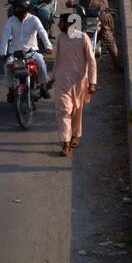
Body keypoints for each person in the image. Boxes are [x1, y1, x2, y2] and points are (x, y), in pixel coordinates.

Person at [50, 11, 97, 157]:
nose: (58, 25)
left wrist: (92, 82)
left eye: (61, 22)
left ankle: (75, 135)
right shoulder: (61, 38)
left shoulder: (83, 38)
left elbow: (91, 60)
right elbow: (57, 59)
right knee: (64, 110)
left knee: (77, 110)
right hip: (62, 82)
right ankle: (65, 143)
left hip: (79, 82)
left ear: (70, 24)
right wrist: (52, 78)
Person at [0, 0, 52, 94]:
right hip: (15, 53)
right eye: (16, 8)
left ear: (26, 9)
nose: (16, 10)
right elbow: (5, 37)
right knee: (7, 66)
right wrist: (3, 53)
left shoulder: (34, 19)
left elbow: (42, 33)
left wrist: (48, 46)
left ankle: (43, 86)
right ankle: (11, 90)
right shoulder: (11, 21)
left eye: (19, 8)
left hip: (32, 52)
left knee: (41, 63)